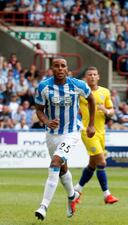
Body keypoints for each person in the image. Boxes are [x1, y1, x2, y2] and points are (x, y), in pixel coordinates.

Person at [34, 57, 96, 220]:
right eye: (57, 66)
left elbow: (91, 99)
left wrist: (90, 124)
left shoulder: (77, 85)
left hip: (71, 132)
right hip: (51, 134)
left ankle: (43, 206)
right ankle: (72, 196)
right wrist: (47, 121)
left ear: (67, 69)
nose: (60, 68)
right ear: (52, 69)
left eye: (63, 66)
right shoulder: (43, 87)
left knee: (55, 162)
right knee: (62, 168)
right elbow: (39, 110)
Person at [73, 66, 119, 204]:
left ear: (98, 77)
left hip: (101, 132)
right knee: (102, 162)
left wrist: (105, 110)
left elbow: (112, 111)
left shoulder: (105, 92)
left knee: (92, 165)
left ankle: (77, 190)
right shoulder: (81, 93)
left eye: (94, 74)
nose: (92, 77)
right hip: (88, 132)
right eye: (90, 75)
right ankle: (107, 195)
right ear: (86, 78)